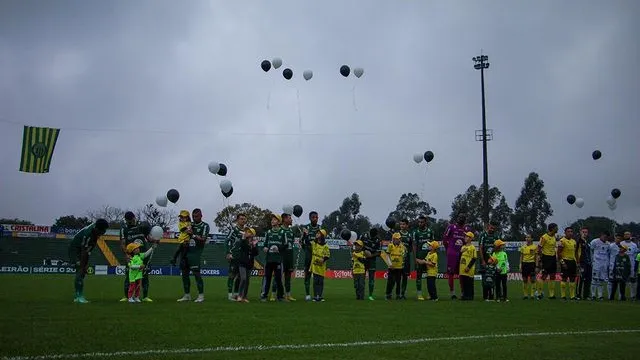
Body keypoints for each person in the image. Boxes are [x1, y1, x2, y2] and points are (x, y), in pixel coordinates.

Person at [69, 219, 109, 303]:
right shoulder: (88, 234)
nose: (103, 233)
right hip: (75, 250)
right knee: (80, 270)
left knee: (82, 272)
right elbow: (84, 251)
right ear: (97, 229)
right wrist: (83, 265)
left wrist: (85, 264)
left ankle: (78, 295)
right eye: (103, 231)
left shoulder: (95, 230)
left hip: (83, 249)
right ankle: (78, 297)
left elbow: (88, 251)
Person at [119, 211, 154, 302]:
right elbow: (123, 243)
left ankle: (145, 296)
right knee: (129, 276)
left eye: (131, 220)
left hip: (143, 254)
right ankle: (127, 296)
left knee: (144, 276)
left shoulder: (142, 226)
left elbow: (149, 238)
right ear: (126, 220)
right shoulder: (124, 229)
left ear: (134, 218)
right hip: (131, 257)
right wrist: (126, 254)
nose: (130, 222)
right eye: (128, 221)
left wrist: (155, 240)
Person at [176, 208, 209, 303]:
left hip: (196, 252)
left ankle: (201, 295)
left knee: (196, 274)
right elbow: (183, 232)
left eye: (197, 216)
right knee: (184, 274)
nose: (195, 218)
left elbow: (203, 239)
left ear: (201, 216)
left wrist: (193, 235)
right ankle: (187, 295)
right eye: (193, 216)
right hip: (186, 252)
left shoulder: (205, 226)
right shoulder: (190, 224)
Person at [442, 213, 470, 299]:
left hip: (462, 254)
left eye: (463, 218)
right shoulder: (451, 227)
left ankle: (463, 292)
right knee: (451, 273)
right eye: (459, 217)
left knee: (462, 273)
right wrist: (449, 250)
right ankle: (452, 293)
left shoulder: (466, 229)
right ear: (457, 218)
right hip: (452, 254)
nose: (461, 219)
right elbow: (444, 239)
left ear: (465, 220)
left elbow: (468, 241)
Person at [260, 214, 286, 302]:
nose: (272, 221)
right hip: (269, 260)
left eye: (274, 219)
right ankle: (264, 295)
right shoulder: (268, 232)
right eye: (272, 219)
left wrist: (278, 248)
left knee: (278, 279)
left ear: (278, 222)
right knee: (267, 278)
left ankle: (280, 296)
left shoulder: (282, 233)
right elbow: (264, 245)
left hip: (278, 260)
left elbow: (286, 245)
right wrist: (265, 248)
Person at [225, 213, 246, 301]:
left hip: (242, 257)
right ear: (237, 220)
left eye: (244, 219)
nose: (243, 220)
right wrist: (228, 253)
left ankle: (236, 294)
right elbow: (226, 241)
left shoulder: (245, 231)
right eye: (241, 219)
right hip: (234, 256)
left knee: (240, 277)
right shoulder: (234, 230)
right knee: (231, 275)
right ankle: (230, 295)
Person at [413, 215, 435, 301]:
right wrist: (415, 258)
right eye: (419, 222)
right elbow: (414, 245)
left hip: (429, 258)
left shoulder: (430, 231)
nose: (420, 223)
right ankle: (419, 294)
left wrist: (433, 256)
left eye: (422, 222)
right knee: (418, 276)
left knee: (429, 277)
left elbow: (433, 244)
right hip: (419, 257)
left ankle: (430, 294)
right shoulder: (415, 232)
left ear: (425, 222)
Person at [477, 221, 501, 300]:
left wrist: (495, 259)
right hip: (484, 260)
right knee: (485, 278)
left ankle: (491, 296)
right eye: (491, 228)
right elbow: (480, 247)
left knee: (492, 277)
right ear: (488, 227)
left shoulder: (496, 236)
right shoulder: (483, 235)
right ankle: (485, 296)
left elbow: (497, 247)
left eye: (494, 228)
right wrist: (483, 260)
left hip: (493, 260)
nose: (492, 229)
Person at [301, 211, 321, 301]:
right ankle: (307, 294)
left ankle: (317, 294)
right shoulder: (306, 228)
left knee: (317, 276)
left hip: (317, 255)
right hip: (308, 255)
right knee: (307, 275)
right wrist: (306, 249)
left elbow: (322, 242)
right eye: (313, 217)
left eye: (316, 217)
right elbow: (301, 241)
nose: (315, 219)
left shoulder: (320, 228)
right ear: (310, 218)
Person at [536, 223, 559, 300]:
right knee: (544, 276)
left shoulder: (554, 237)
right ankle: (539, 293)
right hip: (546, 258)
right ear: (552, 228)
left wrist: (556, 257)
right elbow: (539, 248)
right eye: (556, 227)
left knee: (553, 276)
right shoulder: (544, 237)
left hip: (553, 258)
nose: (557, 229)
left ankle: (551, 295)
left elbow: (554, 248)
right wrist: (541, 259)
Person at [235, 228, 258, 303]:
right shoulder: (244, 241)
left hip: (249, 264)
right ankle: (239, 295)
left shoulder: (254, 242)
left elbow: (256, 253)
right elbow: (242, 245)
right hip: (242, 263)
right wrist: (244, 238)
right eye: (247, 232)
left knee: (247, 281)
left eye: (249, 232)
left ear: (252, 234)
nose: (247, 233)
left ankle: (244, 297)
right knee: (243, 278)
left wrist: (254, 246)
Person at [557, 227, 578, 301]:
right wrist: (562, 263)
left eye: (571, 231)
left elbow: (575, 253)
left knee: (572, 278)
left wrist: (576, 262)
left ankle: (572, 296)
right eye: (568, 231)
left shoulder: (574, 241)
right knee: (564, 278)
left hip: (572, 262)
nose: (570, 233)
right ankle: (563, 296)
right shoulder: (562, 241)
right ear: (565, 233)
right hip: (565, 261)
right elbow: (559, 253)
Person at [590, 230, 611, 301]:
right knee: (594, 279)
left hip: (604, 264)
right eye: (604, 236)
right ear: (601, 235)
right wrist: (592, 260)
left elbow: (608, 254)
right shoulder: (594, 242)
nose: (605, 238)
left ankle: (600, 295)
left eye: (607, 237)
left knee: (601, 280)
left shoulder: (608, 244)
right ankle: (593, 295)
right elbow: (590, 251)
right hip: (596, 263)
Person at [280, 213, 296, 301]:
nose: (291, 220)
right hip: (282, 256)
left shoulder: (291, 231)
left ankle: (288, 295)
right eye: (290, 218)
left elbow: (292, 243)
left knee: (288, 277)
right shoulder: (280, 230)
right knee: (278, 277)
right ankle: (275, 294)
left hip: (289, 256)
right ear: (285, 219)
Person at [311, 229, 330, 302]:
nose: (317, 234)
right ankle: (315, 296)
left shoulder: (325, 246)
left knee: (321, 282)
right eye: (317, 233)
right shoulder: (314, 243)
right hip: (315, 266)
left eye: (319, 233)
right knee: (315, 281)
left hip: (321, 266)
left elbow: (328, 255)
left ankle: (320, 296)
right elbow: (306, 243)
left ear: (322, 235)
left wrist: (323, 259)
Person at [385, 232, 406, 300]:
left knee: (398, 282)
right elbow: (387, 255)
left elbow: (404, 256)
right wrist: (390, 264)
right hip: (391, 267)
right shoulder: (390, 246)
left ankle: (398, 295)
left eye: (399, 238)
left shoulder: (402, 246)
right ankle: (388, 294)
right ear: (393, 239)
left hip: (399, 267)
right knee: (390, 281)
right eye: (397, 239)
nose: (399, 240)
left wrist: (402, 264)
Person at [363, 228, 381, 300]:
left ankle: (370, 295)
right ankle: (361, 294)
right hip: (363, 259)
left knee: (371, 278)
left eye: (374, 236)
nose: (372, 237)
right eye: (371, 235)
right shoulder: (364, 235)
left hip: (372, 260)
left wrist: (371, 255)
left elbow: (379, 253)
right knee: (361, 277)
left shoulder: (378, 240)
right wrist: (364, 252)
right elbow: (358, 245)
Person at [397, 219, 413, 299]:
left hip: (406, 259)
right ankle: (398, 293)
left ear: (407, 225)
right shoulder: (397, 234)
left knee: (405, 276)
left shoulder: (410, 235)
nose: (402, 226)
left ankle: (403, 293)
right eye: (401, 224)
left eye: (403, 224)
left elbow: (411, 247)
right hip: (398, 259)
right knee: (398, 277)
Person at [459, 232, 477, 301]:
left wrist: (468, 267)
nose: (465, 238)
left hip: (469, 269)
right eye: (465, 236)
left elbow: (474, 258)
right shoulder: (463, 247)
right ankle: (465, 295)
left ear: (470, 238)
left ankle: (470, 296)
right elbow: (459, 258)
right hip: (462, 269)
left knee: (469, 283)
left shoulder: (472, 247)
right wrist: (460, 252)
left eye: (467, 236)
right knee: (464, 283)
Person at [575, 227, 592, 300]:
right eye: (583, 232)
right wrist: (578, 262)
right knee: (580, 279)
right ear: (580, 233)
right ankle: (578, 294)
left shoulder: (587, 242)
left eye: (586, 232)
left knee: (588, 279)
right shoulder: (579, 241)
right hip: (582, 263)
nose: (585, 233)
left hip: (588, 263)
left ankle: (586, 295)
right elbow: (576, 252)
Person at [621, 231, 638, 300]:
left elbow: (636, 255)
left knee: (632, 280)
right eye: (625, 234)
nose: (626, 235)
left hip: (632, 264)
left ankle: (632, 295)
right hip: (623, 264)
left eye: (628, 234)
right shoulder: (621, 243)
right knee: (622, 280)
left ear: (630, 235)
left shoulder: (634, 245)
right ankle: (622, 295)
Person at [519, 234, 537, 299]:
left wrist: (536, 266)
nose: (527, 238)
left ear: (532, 239)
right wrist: (520, 265)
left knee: (532, 280)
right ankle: (525, 295)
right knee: (525, 280)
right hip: (524, 264)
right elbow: (521, 257)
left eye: (528, 237)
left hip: (532, 264)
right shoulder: (523, 247)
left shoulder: (535, 247)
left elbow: (536, 257)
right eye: (526, 237)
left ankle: (532, 295)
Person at [608, 233, 623, 297]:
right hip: (612, 265)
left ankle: (620, 296)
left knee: (620, 281)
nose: (618, 239)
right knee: (610, 281)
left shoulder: (622, 246)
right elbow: (608, 254)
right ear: (615, 238)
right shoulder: (611, 246)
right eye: (617, 238)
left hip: (620, 266)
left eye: (620, 238)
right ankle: (610, 295)